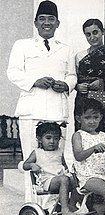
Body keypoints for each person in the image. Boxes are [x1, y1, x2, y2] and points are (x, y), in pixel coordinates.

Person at [7, 1, 77, 201]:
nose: (47, 23)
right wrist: (34, 81)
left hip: (57, 111)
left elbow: (72, 75)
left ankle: (56, 204)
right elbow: (13, 72)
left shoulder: (66, 49)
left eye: (51, 19)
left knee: (57, 160)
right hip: (31, 110)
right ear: (36, 22)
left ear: (57, 23)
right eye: (43, 19)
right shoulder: (22, 45)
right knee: (32, 158)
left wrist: (66, 84)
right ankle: (33, 204)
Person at [74, 19, 105, 139]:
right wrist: (77, 86)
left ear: (102, 32)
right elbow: (73, 77)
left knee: (102, 134)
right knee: (84, 136)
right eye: (88, 34)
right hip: (83, 100)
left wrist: (102, 82)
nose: (92, 37)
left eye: (95, 32)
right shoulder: (80, 56)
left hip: (103, 102)